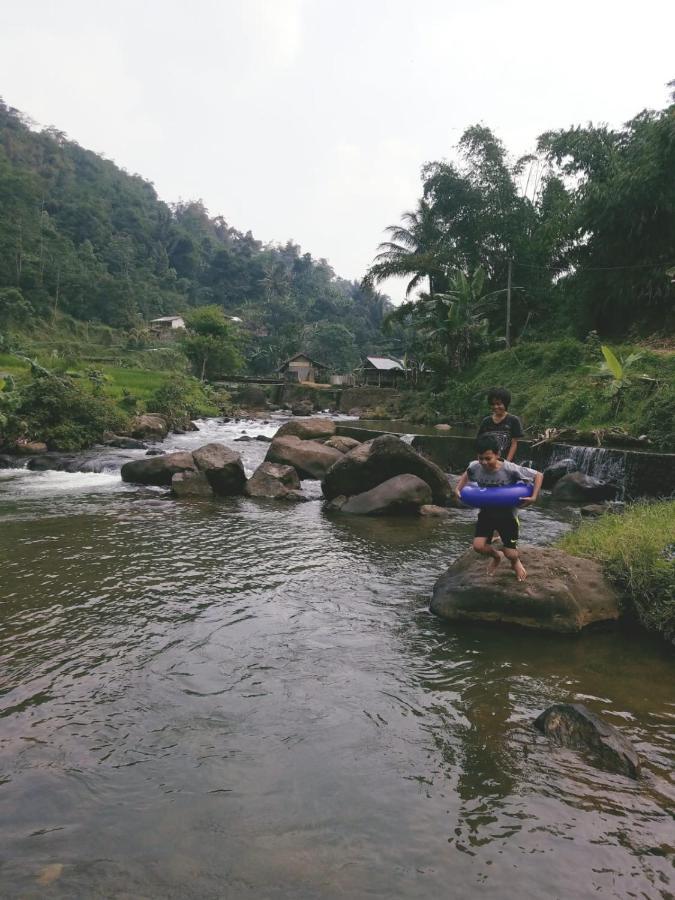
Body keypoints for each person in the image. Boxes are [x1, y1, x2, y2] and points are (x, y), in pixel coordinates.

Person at [455, 434, 544, 582]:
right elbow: (468, 473)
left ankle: (515, 562)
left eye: (488, 458)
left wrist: (534, 497)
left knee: (511, 553)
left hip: (507, 515)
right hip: (486, 512)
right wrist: (458, 488)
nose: (484, 462)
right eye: (480, 458)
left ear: (497, 455)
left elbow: (538, 475)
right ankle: (497, 556)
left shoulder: (509, 469)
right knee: (478, 546)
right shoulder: (475, 467)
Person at [477, 387, 523, 462]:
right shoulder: (486, 421)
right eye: (493, 404)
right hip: (488, 462)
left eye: (499, 404)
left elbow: (514, 444)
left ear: (506, 403)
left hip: (507, 462)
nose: (495, 407)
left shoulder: (514, 420)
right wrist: (481, 461)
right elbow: (480, 442)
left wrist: (507, 463)